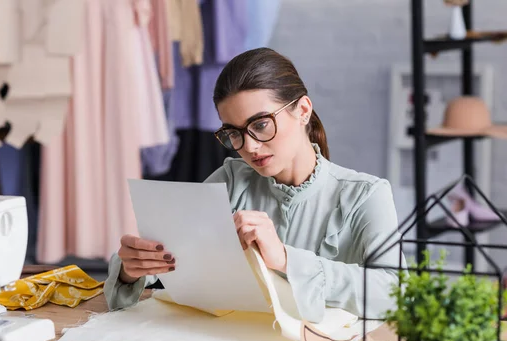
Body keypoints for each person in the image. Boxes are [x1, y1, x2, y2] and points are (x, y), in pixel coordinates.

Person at [103, 47, 403, 323]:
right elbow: (175, 257)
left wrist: (286, 260)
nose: (249, 147)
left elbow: (397, 295)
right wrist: (133, 270)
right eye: (233, 133)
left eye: (260, 124)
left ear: (303, 111)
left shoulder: (366, 195)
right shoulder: (232, 180)